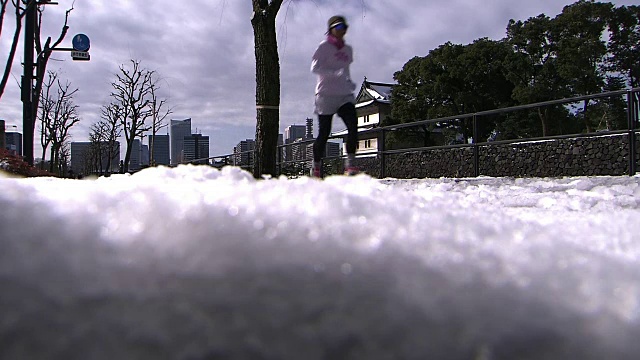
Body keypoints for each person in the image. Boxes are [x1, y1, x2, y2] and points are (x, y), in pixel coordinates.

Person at [310, 15, 359, 177]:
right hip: (325, 95)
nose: (342, 30)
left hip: (344, 94)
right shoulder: (323, 47)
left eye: (344, 27)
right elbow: (315, 68)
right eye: (338, 27)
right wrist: (332, 74)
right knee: (324, 132)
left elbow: (345, 69)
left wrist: (349, 81)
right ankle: (316, 166)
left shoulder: (348, 50)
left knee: (353, 125)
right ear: (331, 29)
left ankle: (350, 164)